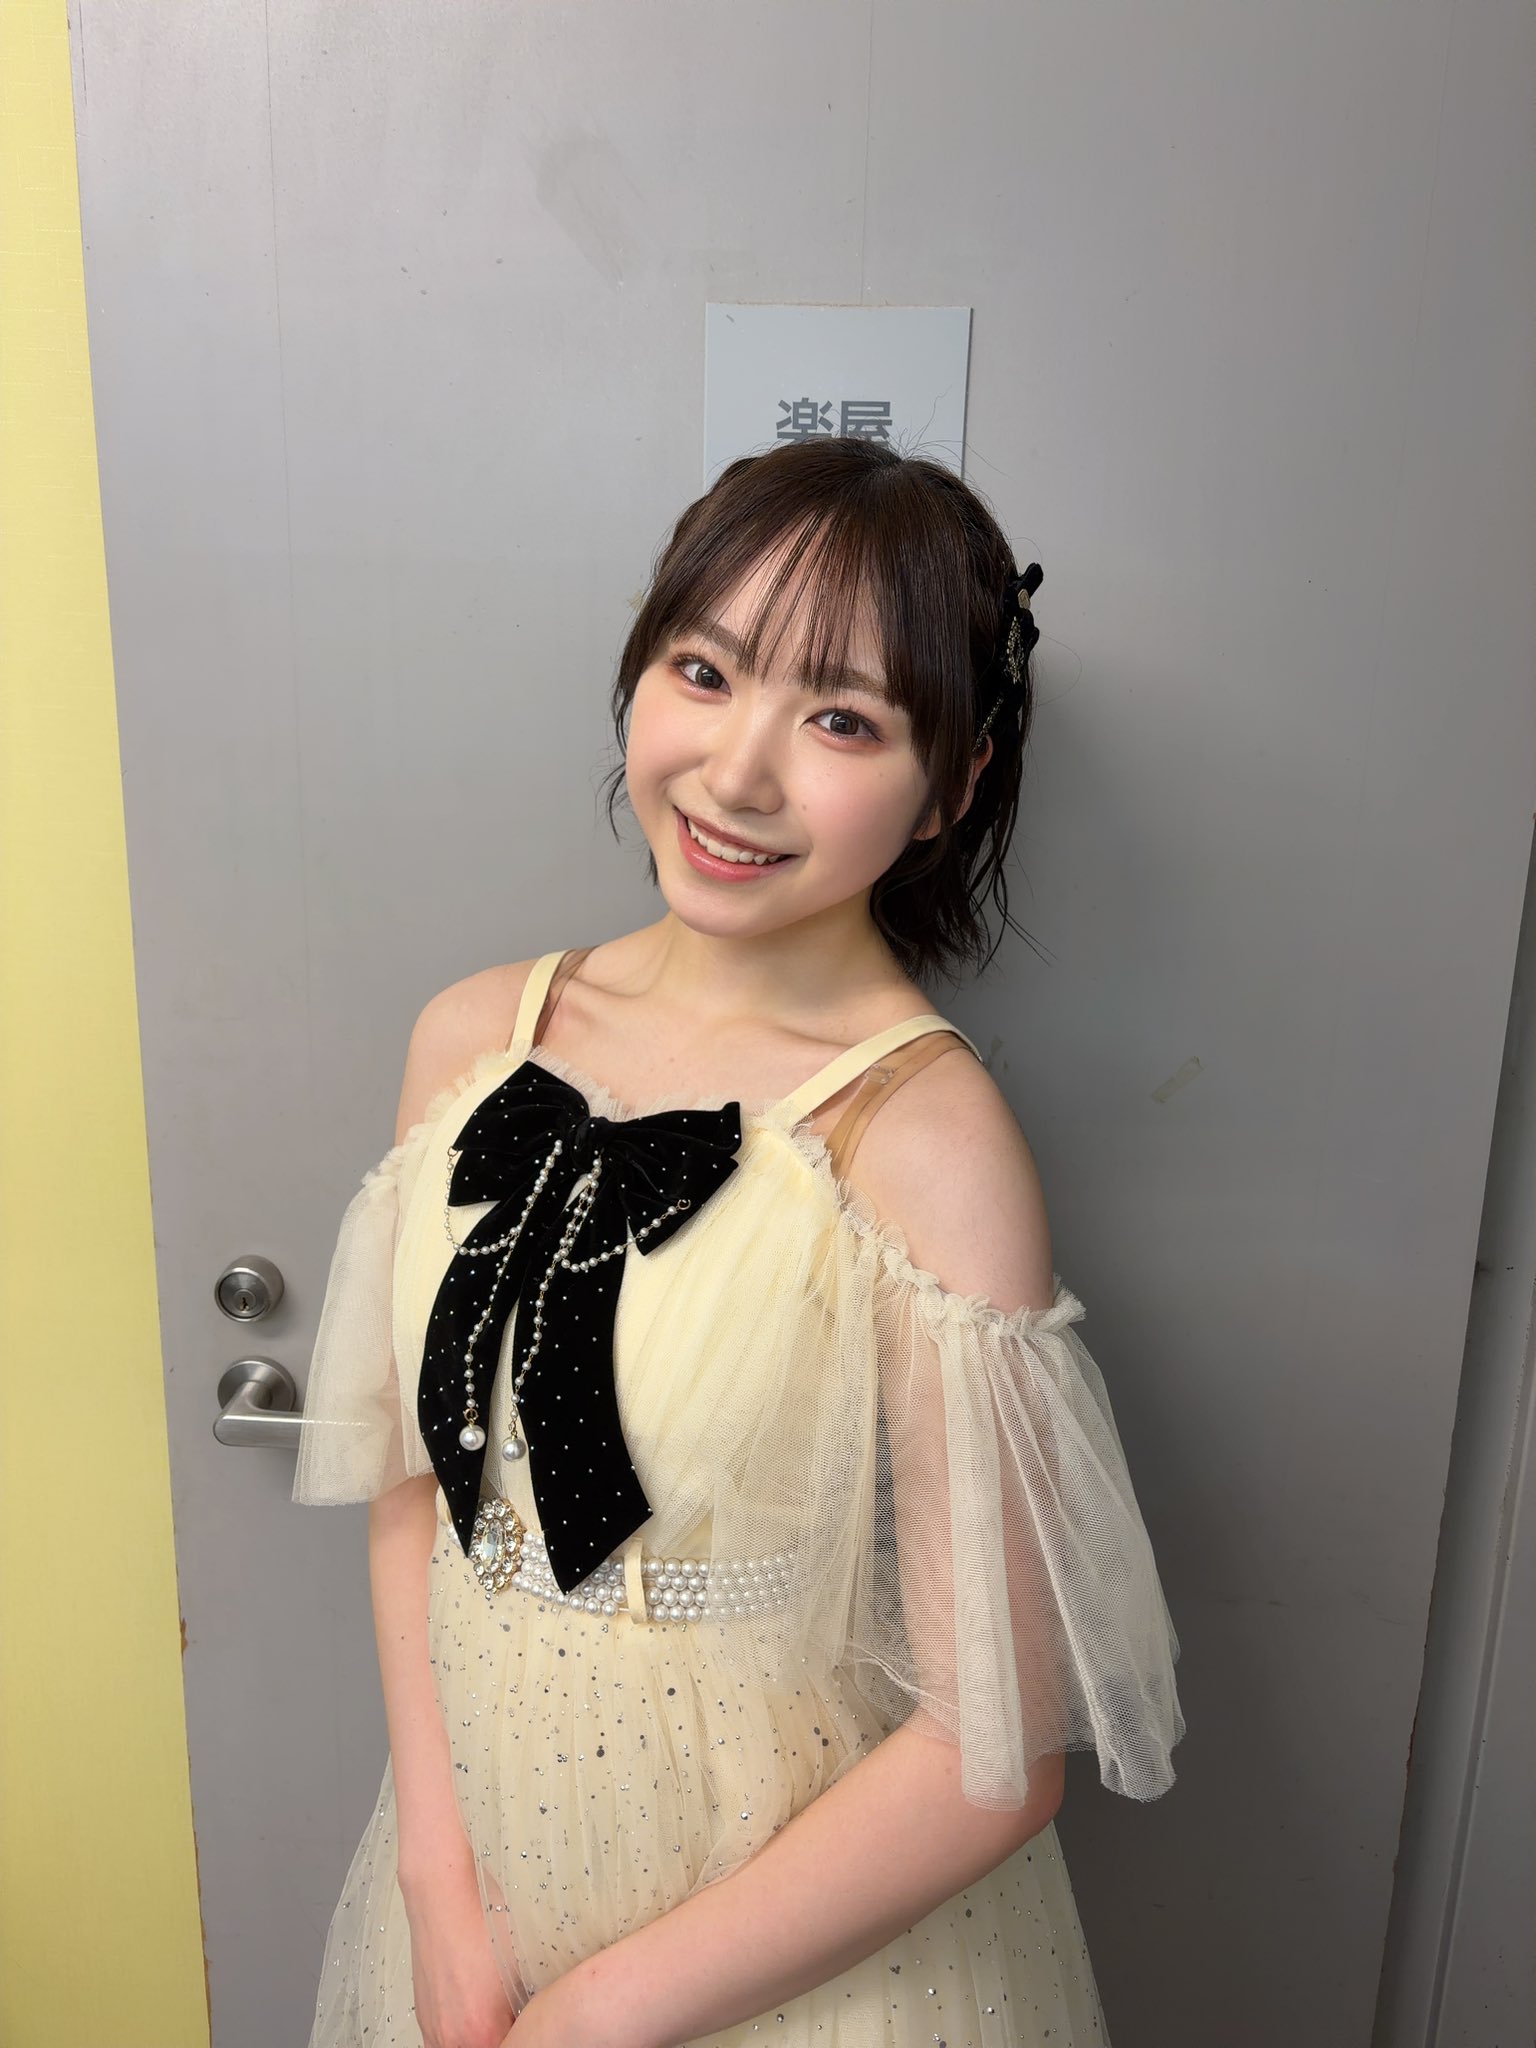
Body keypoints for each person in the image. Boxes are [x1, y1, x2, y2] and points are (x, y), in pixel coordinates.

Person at [293, 434, 1185, 2048]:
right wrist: (437, 1886)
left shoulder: (926, 1139)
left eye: (842, 719)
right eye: (704, 673)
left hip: (791, 1950)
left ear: (952, 786)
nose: (738, 772)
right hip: (483, 1882)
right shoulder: (471, 1039)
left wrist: (604, 2017)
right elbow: (417, 1492)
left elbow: (992, 1753)